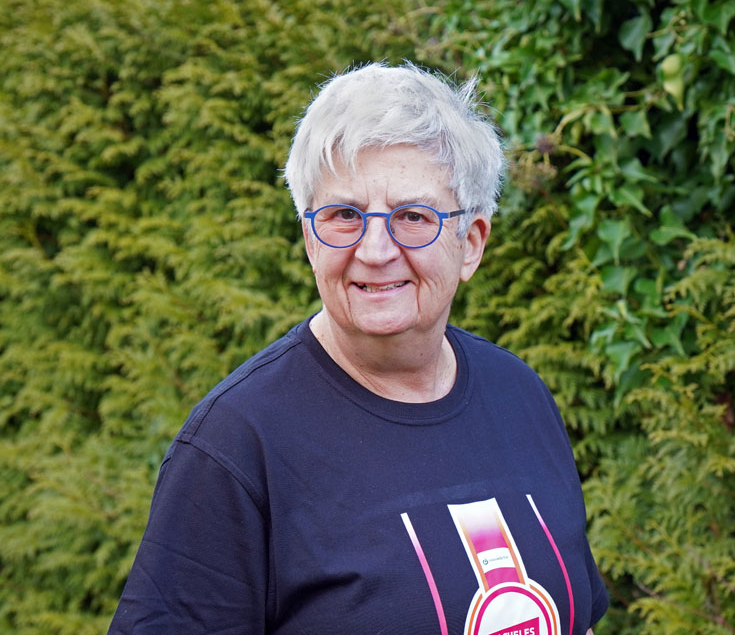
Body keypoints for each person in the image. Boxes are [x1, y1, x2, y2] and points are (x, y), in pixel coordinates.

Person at [108, 62, 608, 634]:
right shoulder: (238, 444)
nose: (375, 250)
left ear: (471, 243)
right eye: (344, 215)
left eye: (412, 216)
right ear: (309, 239)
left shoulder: (518, 395)